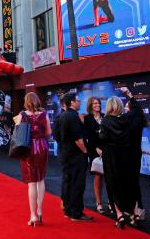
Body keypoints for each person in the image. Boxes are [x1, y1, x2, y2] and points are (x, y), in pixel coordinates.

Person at [100, 97, 136, 228]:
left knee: (113, 184)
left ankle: (120, 215)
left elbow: (102, 138)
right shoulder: (126, 119)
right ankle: (132, 214)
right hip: (126, 156)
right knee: (127, 183)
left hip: (111, 157)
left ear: (109, 107)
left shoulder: (105, 121)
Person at [17, 92, 51, 226]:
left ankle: (33, 215)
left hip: (28, 148)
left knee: (32, 182)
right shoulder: (44, 114)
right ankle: (40, 211)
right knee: (41, 179)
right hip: (42, 146)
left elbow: (18, 133)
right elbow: (48, 132)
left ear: (26, 102)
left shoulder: (22, 115)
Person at [59, 92, 93, 221]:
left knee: (69, 183)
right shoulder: (72, 116)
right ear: (72, 102)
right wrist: (85, 151)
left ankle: (68, 210)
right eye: (78, 100)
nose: (80, 102)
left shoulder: (63, 115)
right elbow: (78, 140)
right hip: (75, 156)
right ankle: (76, 213)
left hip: (66, 154)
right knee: (77, 184)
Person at [122, 87, 148, 222]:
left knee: (130, 183)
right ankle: (137, 210)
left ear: (130, 109)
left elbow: (135, 108)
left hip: (128, 156)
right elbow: (137, 108)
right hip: (134, 154)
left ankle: (135, 211)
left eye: (126, 106)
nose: (125, 108)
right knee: (133, 183)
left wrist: (130, 97)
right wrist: (129, 95)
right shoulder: (137, 118)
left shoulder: (127, 119)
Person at [83, 97, 107, 214]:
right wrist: (96, 148)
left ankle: (112, 203)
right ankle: (99, 202)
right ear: (90, 105)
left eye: (98, 103)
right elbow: (87, 136)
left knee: (109, 177)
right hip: (94, 150)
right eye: (95, 103)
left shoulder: (105, 116)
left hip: (107, 149)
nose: (97, 105)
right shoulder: (87, 118)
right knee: (98, 176)